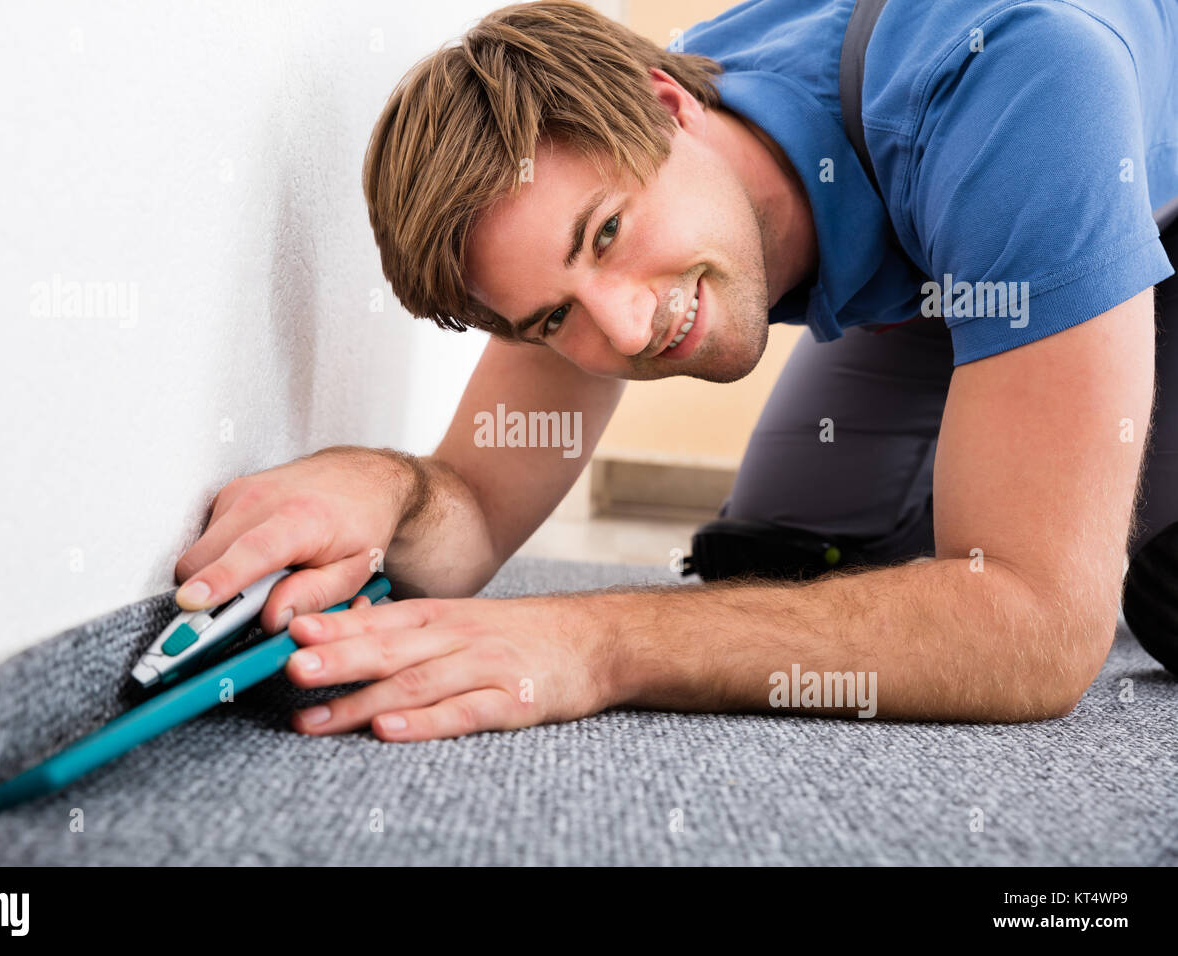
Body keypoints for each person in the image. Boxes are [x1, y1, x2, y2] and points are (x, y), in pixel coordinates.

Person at [172, 0, 1178, 740]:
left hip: (1116, 227)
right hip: (939, 266)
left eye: (608, 231)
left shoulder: (1020, 76)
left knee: (1109, 588)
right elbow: (475, 504)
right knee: (774, 560)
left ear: (667, 104)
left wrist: (597, 642)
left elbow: (1033, 629)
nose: (624, 324)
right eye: (553, 314)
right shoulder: (599, 155)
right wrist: (380, 485)